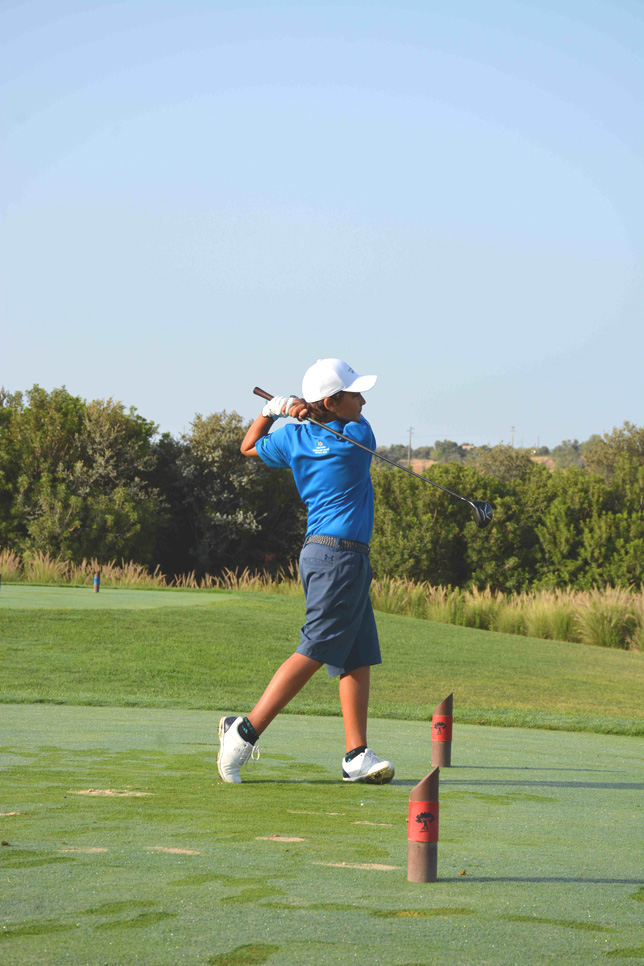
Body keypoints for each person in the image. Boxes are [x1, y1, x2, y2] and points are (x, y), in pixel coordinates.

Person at [216, 358, 394, 785]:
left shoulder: (295, 438)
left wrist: (271, 411)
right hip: (338, 557)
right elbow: (331, 432)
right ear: (332, 402)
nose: (363, 400)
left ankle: (356, 756)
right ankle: (242, 733)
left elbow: (248, 447)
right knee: (315, 648)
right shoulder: (358, 435)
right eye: (355, 395)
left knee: (357, 653)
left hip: (331, 554)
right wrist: (294, 412)